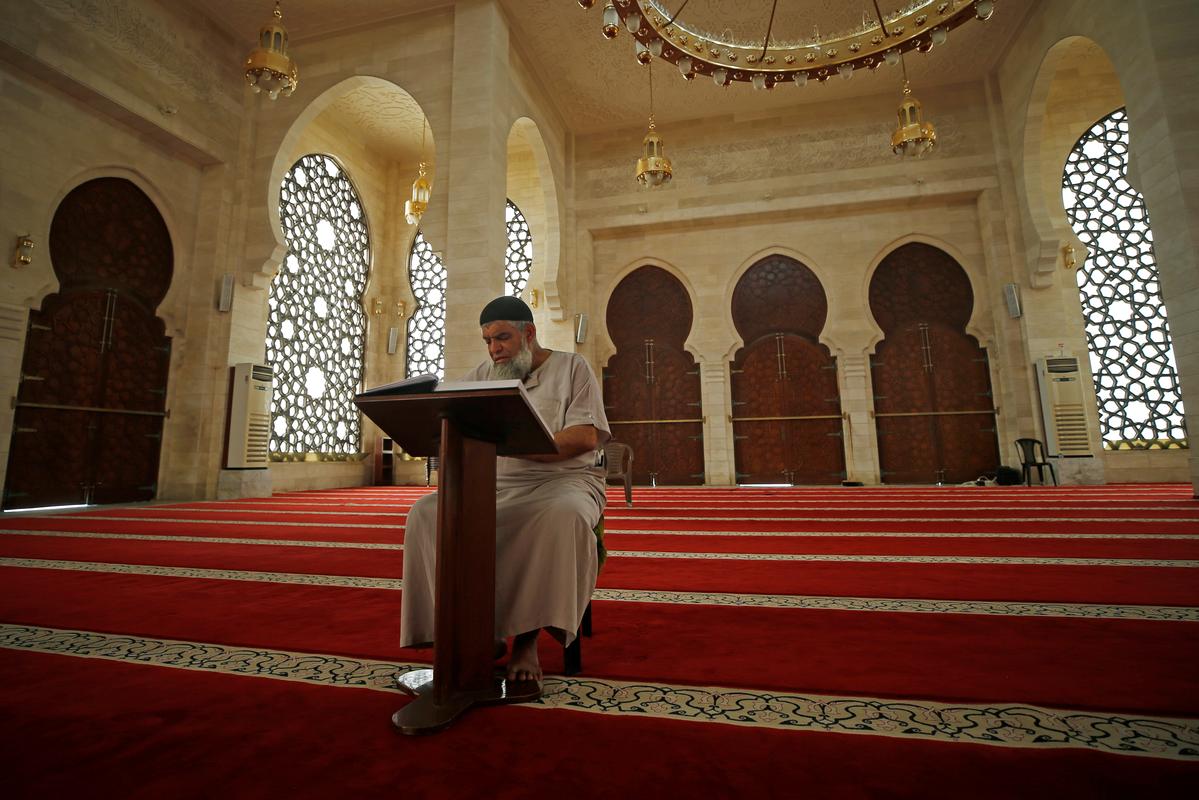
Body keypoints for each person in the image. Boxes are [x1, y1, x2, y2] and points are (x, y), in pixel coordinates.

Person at [399, 295, 610, 683]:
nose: (494, 349)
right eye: (488, 341)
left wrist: (517, 444)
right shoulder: (483, 376)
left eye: (502, 338)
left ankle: (526, 643)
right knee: (426, 513)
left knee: (559, 517)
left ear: (528, 334)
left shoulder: (572, 367)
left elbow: (584, 436)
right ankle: (468, 630)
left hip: (565, 483)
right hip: (494, 484)